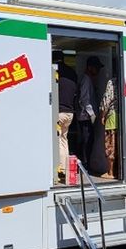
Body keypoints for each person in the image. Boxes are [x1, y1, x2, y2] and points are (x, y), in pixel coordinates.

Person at [52, 51, 78, 181]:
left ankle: (59, 170)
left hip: (58, 112)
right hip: (69, 113)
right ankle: (65, 169)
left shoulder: (54, 71)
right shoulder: (72, 72)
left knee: (56, 140)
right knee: (63, 139)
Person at [77, 55, 103, 171]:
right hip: (85, 117)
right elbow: (84, 99)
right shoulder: (86, 80)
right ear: (90, 67)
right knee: (87, 141)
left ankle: (85, 164)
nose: (98, 71)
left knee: (87, 141)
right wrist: (91, 113)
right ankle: (85, 165)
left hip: (85, 116)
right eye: (96, 68)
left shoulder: (88, 80)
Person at [99, 73, 118, 179]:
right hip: (121, 115)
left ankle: (111, 172)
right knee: (118, 143)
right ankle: (117, 170)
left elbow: (107, 100)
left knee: (110, 142)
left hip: (112, 115)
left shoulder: (112, 82)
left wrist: (102, 115)